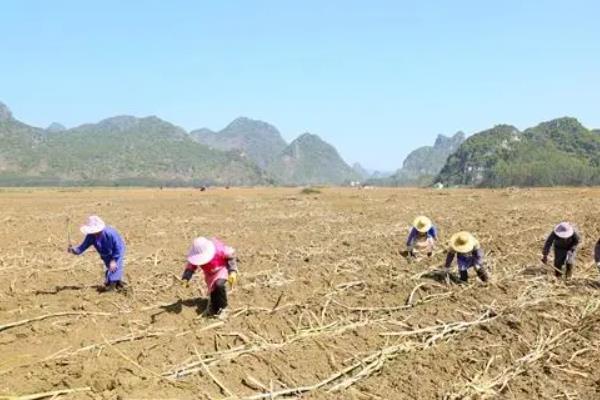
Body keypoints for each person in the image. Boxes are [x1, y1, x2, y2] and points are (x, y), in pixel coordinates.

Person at [182, 237, 238, 316]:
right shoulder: (196, 255)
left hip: (221, 270)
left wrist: (232, 271)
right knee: (214, 291)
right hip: (209, 274)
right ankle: (214, 308)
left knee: (219, 285)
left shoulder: (219, 249)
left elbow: (231, 257)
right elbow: (191, 267)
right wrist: (186, 278)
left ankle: (223, 308)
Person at [68, 215, 127, 292]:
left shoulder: (110, 233)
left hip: (117, 250)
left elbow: (118, 247)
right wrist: (73, 250)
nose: (95, 233)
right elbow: (82, 247)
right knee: (110, 267)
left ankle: (112, 287)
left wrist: (114, 260)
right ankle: (117, 282)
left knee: (114, 266)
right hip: (105, 253)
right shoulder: (90, 236)